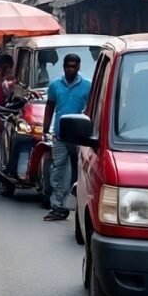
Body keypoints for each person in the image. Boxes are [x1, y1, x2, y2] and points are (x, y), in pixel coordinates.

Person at [42, 53, 91, 221]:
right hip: (60, 135)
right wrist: (45, 128)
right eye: (68, 66)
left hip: (80, 137)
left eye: (74, 66)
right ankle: (58, 206)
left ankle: (79, 206)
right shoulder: (55, 85)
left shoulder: (87, 86)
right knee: (58, 170)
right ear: (64, 67)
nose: (71, 69)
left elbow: (92, 110)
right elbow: (50, 107)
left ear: (78, 67)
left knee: (79, 172)